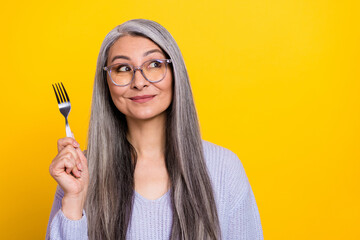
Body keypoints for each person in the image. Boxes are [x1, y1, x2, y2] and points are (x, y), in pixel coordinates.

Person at [46, 19, 263, 240]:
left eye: (154, 64)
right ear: (106, 84)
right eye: (122, 68)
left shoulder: (224, 168)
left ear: (175, 72)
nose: (139, 82)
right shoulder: (79, 173)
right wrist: (74, 200)